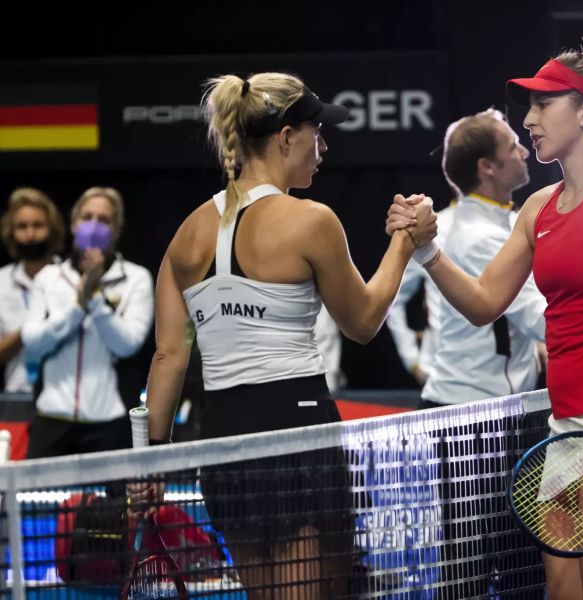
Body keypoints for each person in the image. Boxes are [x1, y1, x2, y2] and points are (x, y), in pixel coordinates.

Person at [388, 39, 583, 600]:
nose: (528, 119)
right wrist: (427, 249)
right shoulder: (537, 208)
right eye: (527, 108)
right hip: (564, 429)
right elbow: (484, 303)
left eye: (543, 104)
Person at [127, 72, 436, 599]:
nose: (324, 146)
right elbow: (362, 324)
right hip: (300, 434)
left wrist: (150, 461)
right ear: (286, 137)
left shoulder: (187, 232)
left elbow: (168, 356)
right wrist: (404, 244)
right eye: (318, 132)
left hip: (222, 439)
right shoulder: (311, 220)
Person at [422, 108, 545, 408]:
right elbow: (538, 319)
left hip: (489, 402)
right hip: (469, 411)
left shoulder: (506, 220)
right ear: (488, 166)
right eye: (513, 146)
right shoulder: (480, 237)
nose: (525, 152)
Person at [21, 186, 154, 458]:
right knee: (36, 500)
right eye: (87, 217)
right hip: (51, 418)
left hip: (109, 422)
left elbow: (127, 344)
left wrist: (93, 297)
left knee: (112, 502)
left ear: (116, 230)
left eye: (104, 220)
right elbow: (32, 343)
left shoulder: (136, 278)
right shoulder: (48, 277)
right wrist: (78, 307)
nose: (94, 226)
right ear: (73, 224)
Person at [0, 187, 64, 393]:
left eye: (38, 225)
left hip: (64, 401)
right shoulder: (2, 281)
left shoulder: (70, 279)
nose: (30, 234)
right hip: (16, 396)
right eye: (22, 226)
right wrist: (30, 328)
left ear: (52, 230)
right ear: (11, 232)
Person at [385, 200, 456, 386]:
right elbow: (392, 297)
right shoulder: (432, 227)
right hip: (439, 374)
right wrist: (411, 357)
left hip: (509, 378)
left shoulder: (517, 222)